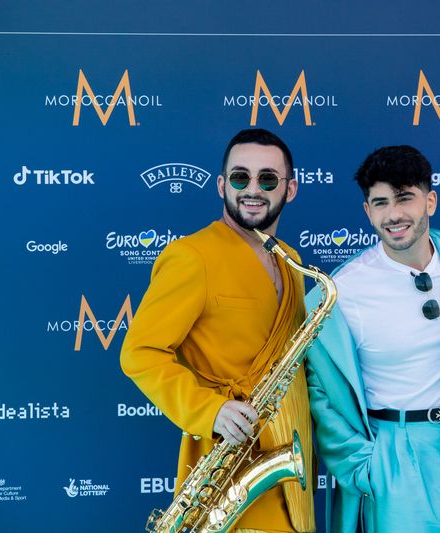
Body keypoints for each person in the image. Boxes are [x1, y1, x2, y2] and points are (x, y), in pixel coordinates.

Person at [305, 145, 440, 533]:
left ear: (430, 201)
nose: (394, 214)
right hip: (395, 455)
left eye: (405, 198)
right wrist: (363, 466)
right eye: (380, 202)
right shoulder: (337, 294)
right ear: (367, 211)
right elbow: (320, 392)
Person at [120, 128, 314, 533]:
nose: (253, 189)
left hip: (286, 461)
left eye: (268, 179)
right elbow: (139, 353)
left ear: (290, 189)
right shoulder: (191, 256)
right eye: (240, 177)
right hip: (226, 464)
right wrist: (212, 411)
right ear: (222, 185)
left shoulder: (291, 262)